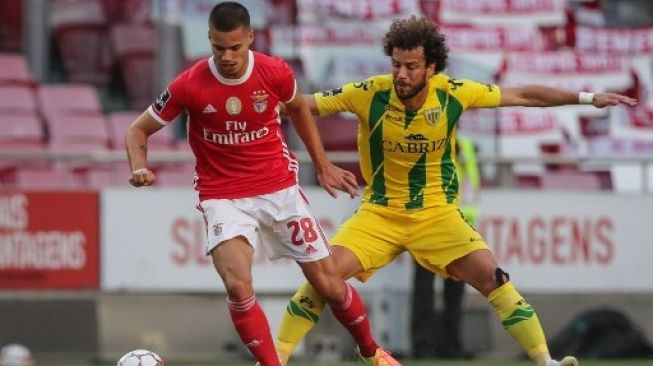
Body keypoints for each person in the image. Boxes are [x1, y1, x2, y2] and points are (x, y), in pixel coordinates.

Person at [273, 16, 637, 366]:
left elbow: (525, 95)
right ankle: (273, 360)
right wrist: (256, 102)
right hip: (379, 213)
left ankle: (546, 361)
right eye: (397, 64)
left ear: (432, 67)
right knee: (324, 277)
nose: (401, 74)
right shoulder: (369, 92)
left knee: (492, 276)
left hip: (437, 213)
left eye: (411, 66)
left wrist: (588, 98)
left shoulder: (454, 93)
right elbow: (302, 105)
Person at [124, 3, 400, 366]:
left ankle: (372, 353)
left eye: (235, 47)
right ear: (209, 39)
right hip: (222, 196)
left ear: (250, 38)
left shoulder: (274, 72)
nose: (227, 57)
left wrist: (323, 163)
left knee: (329, 282)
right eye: (219, 47)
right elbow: (137, 130)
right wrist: (139, 166)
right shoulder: (189, 84)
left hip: (279, 189)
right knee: (238, 285)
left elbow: (299, 108)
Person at [411, 135, 479, 359]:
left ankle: (452, 347)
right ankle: (422, 346)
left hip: (459, 228)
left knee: (455, 290)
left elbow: (471, 184)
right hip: (428, 224)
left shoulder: (466, 146)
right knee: (424, 289)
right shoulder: (429, 140)